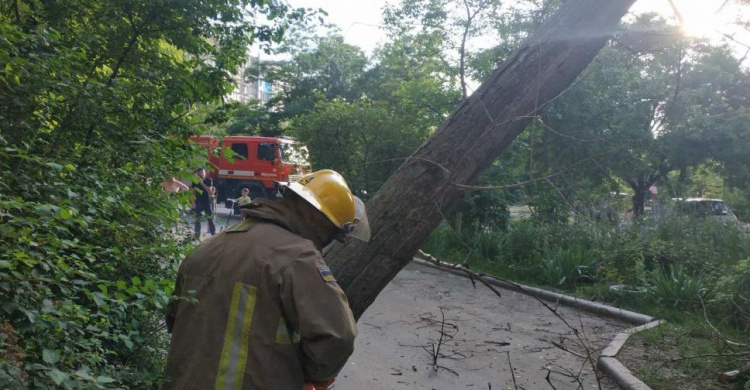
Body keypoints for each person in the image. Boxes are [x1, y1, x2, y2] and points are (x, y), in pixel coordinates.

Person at [164, 169, 370, 390]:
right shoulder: (297, 257)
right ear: (322, 223)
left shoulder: (207, 248)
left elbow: (174, 320)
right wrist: (315, 378)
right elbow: (337, 337)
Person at [192, 168, 216, 238]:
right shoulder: (195, 181)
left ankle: (213, 234)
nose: (201, 174)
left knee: (210, 218)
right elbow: (192, 192)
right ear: (198, 174)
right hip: (198, 201)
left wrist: (201, 182)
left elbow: (210, 191)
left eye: (203, 172)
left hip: (206, 201)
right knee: (197, 219)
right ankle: (196, 235)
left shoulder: (208, 180)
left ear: (205, 173)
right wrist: (193, 202)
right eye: (200, 172)